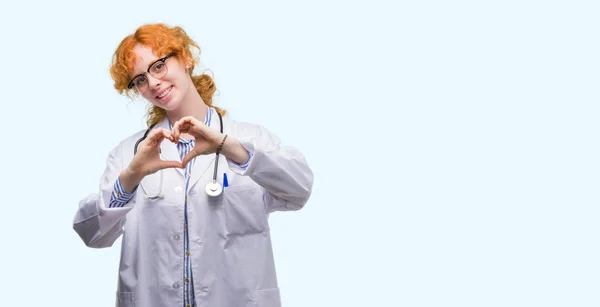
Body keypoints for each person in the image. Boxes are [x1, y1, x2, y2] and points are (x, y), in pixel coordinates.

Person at [72, 23, 314, 307]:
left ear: (185, 59)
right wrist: (131, 177)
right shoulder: (129, 154)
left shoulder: (250, 138)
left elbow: (299, 190)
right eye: (139, 80)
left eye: (158, 66)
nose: (152, 83)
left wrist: (230, 148)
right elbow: (93, 235)